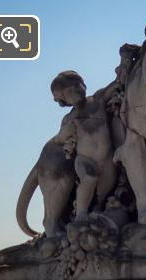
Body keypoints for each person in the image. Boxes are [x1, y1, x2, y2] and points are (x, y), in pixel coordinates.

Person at [51, 70, 119, 221]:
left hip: (108, 158)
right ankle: (81, 213)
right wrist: (66, 132)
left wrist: (126, 63)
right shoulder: (69, 118)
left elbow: (117, 84)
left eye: (77, 85)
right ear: (63, 99)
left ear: (84, 84)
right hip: (85, 159)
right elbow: (59, 139)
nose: (76, 90)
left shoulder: (98, 99)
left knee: (104, 190)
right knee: (88, 179)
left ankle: (96, 210)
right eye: (69, 91)